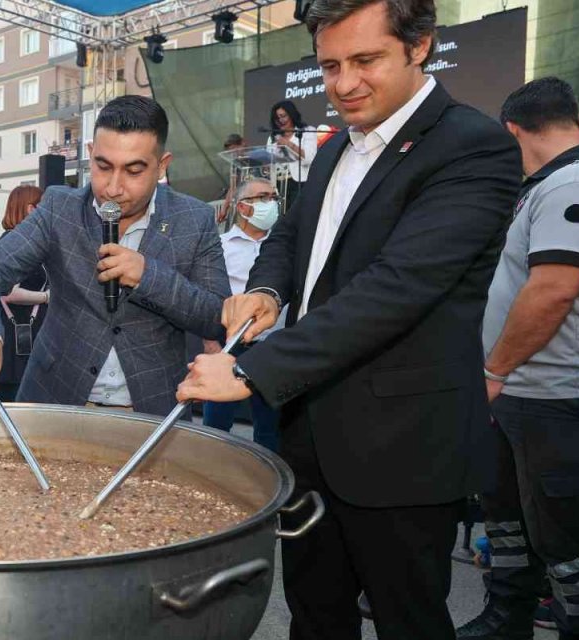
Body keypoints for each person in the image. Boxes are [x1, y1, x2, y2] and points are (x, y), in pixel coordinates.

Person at [175, 1, 522, 638]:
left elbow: (396, 289)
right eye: (330, 65)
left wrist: (251, 370)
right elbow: (290, 235)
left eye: (366, 60)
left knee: (408, 618)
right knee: (314, 615)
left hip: (403, 446)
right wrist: (269, 292)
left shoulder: (474, 147)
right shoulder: (337, 149)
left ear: (420, 46)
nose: (343, 84)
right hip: (309, 436)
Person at [455, 78, 579, 640]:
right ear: (576, 116)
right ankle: (507, 617)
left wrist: (492, 370)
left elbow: (553, 289)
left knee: (566, 542)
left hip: (559, 398)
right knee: (508, 522)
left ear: (512, 132)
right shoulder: (554, 185)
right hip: (526, 395)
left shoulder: (578, 182)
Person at [0, 95, 230, 415]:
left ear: (162, 166)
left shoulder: (193, 220)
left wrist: (148, 276)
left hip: (151, 413)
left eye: (134, 170)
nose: (113, 187)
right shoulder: (60, 208)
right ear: (90, 155)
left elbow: (215, 317)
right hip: (55, 401)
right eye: (103, 166)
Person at [201, 178, 282, 452]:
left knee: (270, 428)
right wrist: (211, 342)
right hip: (232, 346)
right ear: (243, 207)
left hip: (275, 348)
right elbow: (208, 296)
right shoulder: (219, 246)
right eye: (263, 197)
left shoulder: (282, 250)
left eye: (273, 196)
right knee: (217, 425)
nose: (271, 203)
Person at [0, 185, 49, 402]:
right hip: (16, 339)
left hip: (23, 335)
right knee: (12, 403)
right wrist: (47, 297)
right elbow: (9, 292)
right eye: (41, 206)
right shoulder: (14, 242)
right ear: (29, 208)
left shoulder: (18, 240)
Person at [267, 99, 319, 205]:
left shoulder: (307, 131)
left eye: (283, 116)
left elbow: (309, 159)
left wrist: (287, 144)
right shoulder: (273, 137)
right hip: (278, 185)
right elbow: (271, 164)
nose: (280, 120)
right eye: (277, 118)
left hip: (299, 183)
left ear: (292, 114)